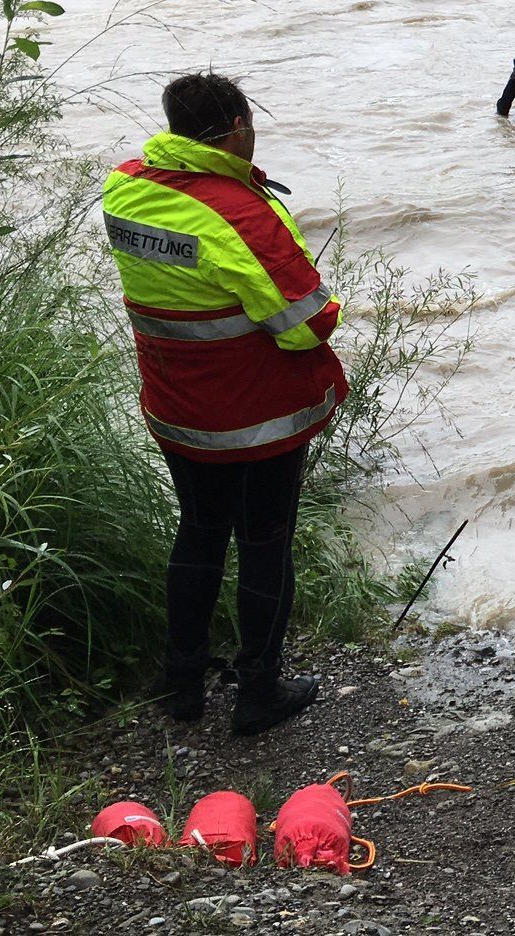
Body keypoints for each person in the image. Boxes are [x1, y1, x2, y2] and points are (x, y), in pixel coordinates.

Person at [102, 73, 346, 736]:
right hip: (254, 416)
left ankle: (181, 682)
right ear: (238, 127)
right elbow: (305, 323)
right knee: (265, 541)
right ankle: (258, 692)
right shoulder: (241, 214)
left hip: (176, 404)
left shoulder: (124, 186)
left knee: (200, 529)